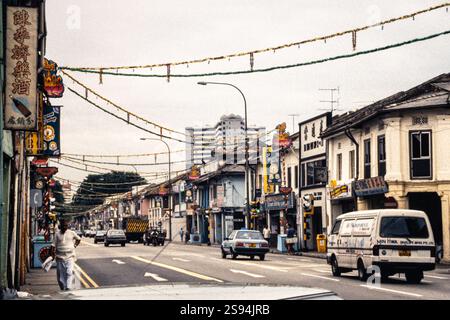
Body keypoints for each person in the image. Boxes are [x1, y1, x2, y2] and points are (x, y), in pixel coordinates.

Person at [51, 219, 81, 291]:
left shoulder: (71, 233)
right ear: (60, 226)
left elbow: (78, 239)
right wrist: (52, 255)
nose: (65, 227)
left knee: (69, 271)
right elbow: (53, 245)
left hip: (70, 256)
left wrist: (75, 246)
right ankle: (62, 287)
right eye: (63, 226)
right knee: (60, 275)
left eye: (66, 226)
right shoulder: (57, 234)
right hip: (59, 257)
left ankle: (68, 287)